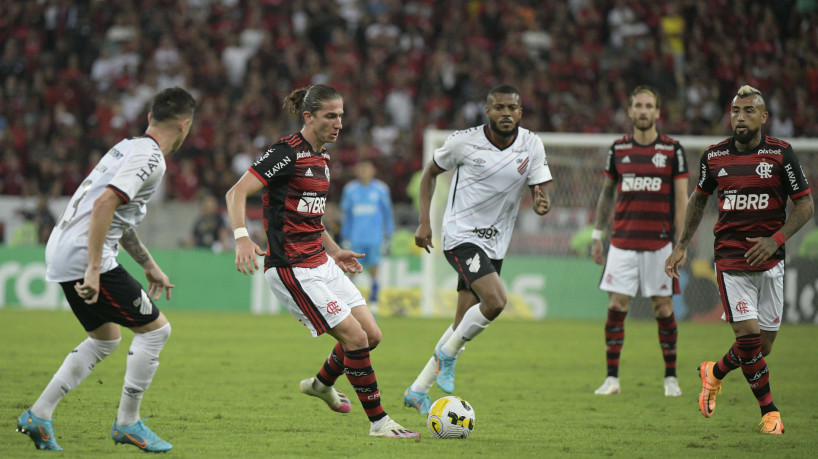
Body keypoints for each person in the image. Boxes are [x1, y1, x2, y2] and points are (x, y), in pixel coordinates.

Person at [225, 84, 419, 438]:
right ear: (309, 117)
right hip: (292, 269)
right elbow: (236, 192)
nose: (339, 123)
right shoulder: (285, 152)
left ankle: (320, 384)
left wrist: (334, 249)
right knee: (355, 339)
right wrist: (242, 237)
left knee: (372, 335)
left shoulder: (323, 158)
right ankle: (380, 423)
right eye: (331, 116)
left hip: (321, 261)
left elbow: (311, 218)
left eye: (341, 115)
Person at [18, 87, 196, 452]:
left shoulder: (127, 147)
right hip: (86, 254)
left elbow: (116, 214)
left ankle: (39, 413)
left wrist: (148, 264)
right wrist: (95, 270)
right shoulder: (152, 159)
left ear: (149, 118)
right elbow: (103, 205)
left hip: (64, 248)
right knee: (156, 333)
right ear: (184, 125)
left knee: (106, 339)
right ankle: (128, 423)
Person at [666, 85, 813, 435]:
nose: (741, 117)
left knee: (762, 347)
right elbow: (698, 201)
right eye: (735, 111)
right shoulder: (714, 156)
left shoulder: (781, 154)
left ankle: (713, 372)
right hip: (731, 259)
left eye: (749, 111)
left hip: (771, 259)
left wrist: (775, 239)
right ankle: (770, 413)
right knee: (748, 339)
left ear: (763, 117)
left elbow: (806, 206)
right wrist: (682, 244)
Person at [403, 84, 552, 414]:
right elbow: (429, 174)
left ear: (520, 112)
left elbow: (540, 189)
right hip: (461, 236)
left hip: (496, 242)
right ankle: (446, 356)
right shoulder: (464, 141)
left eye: (512, 108)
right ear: (488, 111)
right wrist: (424, 222)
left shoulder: (532, 144)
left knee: (462, 323)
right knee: (496, 301)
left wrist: (541, 202)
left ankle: (417, 390)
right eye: (499, 108)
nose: (506, 114)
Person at [589, 85, 689, 397]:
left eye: (649, 106)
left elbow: (682, 199)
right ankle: (612, 379)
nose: (643, 111)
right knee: (617, 305)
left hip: (660, 244)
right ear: (630, 111)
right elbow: (607, 193)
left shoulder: (673, 150)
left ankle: (671, 379)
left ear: (658, 112)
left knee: (663, 309)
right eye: (638, 106)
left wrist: (682, 243)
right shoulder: (617, 149)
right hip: (621, 242)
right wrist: (597, 234)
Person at [339, 159, 395, 316]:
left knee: (374, 272)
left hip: (375, 239)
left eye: (366, 168)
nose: (364, 171)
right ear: (356, 171)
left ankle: (375, 304)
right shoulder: (350, 190)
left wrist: (388, 236)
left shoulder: (381, 189)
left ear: (373, 170)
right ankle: (348, 304)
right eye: (361, 168)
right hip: (356, 238)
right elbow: (346, 216)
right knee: (352, 272)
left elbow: (387, 215)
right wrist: (345, 237)